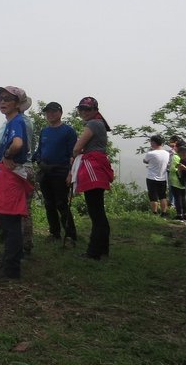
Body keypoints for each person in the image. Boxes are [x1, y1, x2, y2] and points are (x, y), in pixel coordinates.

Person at [0, 86, 34, 281]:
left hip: (12, 176)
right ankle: (11, 262)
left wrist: (7, 154)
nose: (2, 102)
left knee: (10, 222)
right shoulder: (14, 121)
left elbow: (18, 144)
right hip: (10, 175)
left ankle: (10, 270)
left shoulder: (17, 121)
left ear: (17, 103)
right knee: (9, 221)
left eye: (7, 99)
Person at [68, 96, 114, 260]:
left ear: (95, 110)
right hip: (99, 166)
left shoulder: (93, 124)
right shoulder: (99, 123)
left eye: (87, 109)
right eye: (81, 109)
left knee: (96, 213)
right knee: (98, 211)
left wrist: (76, 154)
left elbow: (77, 147)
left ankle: (93, 252)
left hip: (92, 167)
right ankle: (102, 250)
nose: (83, 112)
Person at [33, 102, 78, 246]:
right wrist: (38, 160)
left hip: (61, 171)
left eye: (53, 111)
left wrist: (71, 173)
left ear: (60, 113)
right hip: (45, 170)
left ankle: (70, 235)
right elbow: (39, 150)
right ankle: (54, 233)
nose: (50, 114)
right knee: (48, 203)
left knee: (61, 203)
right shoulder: (44, 131)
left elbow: (74, 154)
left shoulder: (68, 131)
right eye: (48, 112)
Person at [143, 135, 171, 217]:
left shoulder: (151, 153)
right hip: (163, 177)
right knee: (163, 196)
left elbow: (145, 161)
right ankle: (164, 212)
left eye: (151, 142)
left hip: (152, 177)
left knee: (153, 197)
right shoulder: (167, 153)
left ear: (154, 143)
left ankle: (154, 213)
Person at [167, 136, 186, 221]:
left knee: (177, 197)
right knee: (183, 197)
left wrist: (170, 168)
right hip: (183, 180)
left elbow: (172, 169)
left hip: (175, 179)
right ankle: (185, 214)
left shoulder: (175, 156)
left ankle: (179, 214)